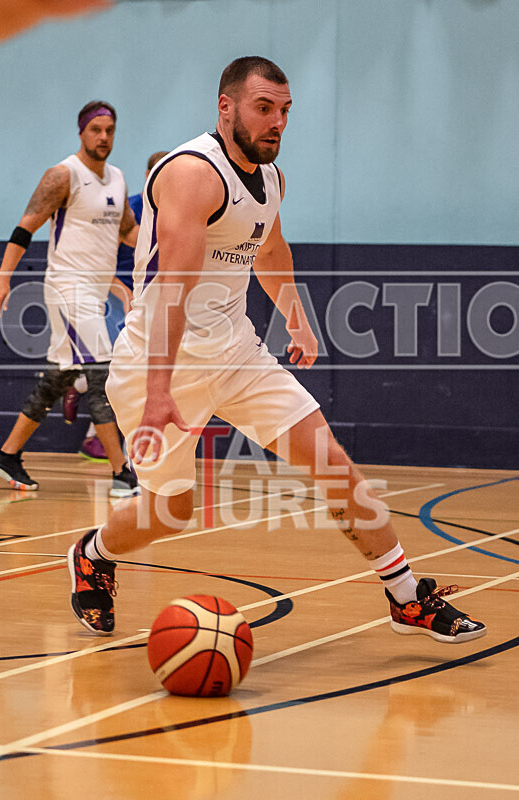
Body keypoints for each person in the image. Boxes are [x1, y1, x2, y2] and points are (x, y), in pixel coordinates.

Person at [67, 57, 486, 644]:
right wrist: (160, 391)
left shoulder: (271, 177)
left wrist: (297, 318)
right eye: (264, 108)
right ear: (226, 106)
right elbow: (171, 292)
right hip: (157, 363)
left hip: (236, 351)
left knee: (329, 459)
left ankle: (405, 595)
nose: (277, 123)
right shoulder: (191, 173)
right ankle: (94, 553)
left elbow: (268, 248)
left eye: (285, 111)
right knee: (170, 511)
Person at [0, 100, 140, 498]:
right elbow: (26, 227)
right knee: (101, 374)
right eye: (96, 130)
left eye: (109, 130)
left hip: (95, 289)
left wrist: (170, 248)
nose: (103, 137)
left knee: (60, 375)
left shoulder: (118, 179)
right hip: (68, 290)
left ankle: (7, 454)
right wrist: (2, 280)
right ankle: (122, 473)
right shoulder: (63, 175)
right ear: (81, 132)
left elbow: (128, 233)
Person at [65, 151, 170, 462]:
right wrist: (122, 292)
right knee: (116, 366)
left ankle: (80, 388)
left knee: (136, 369)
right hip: (111, 294)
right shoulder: (131, 209)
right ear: (148, 175)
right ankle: (79, 387)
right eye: (157, 175)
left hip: (148, 298)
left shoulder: (178, 210)